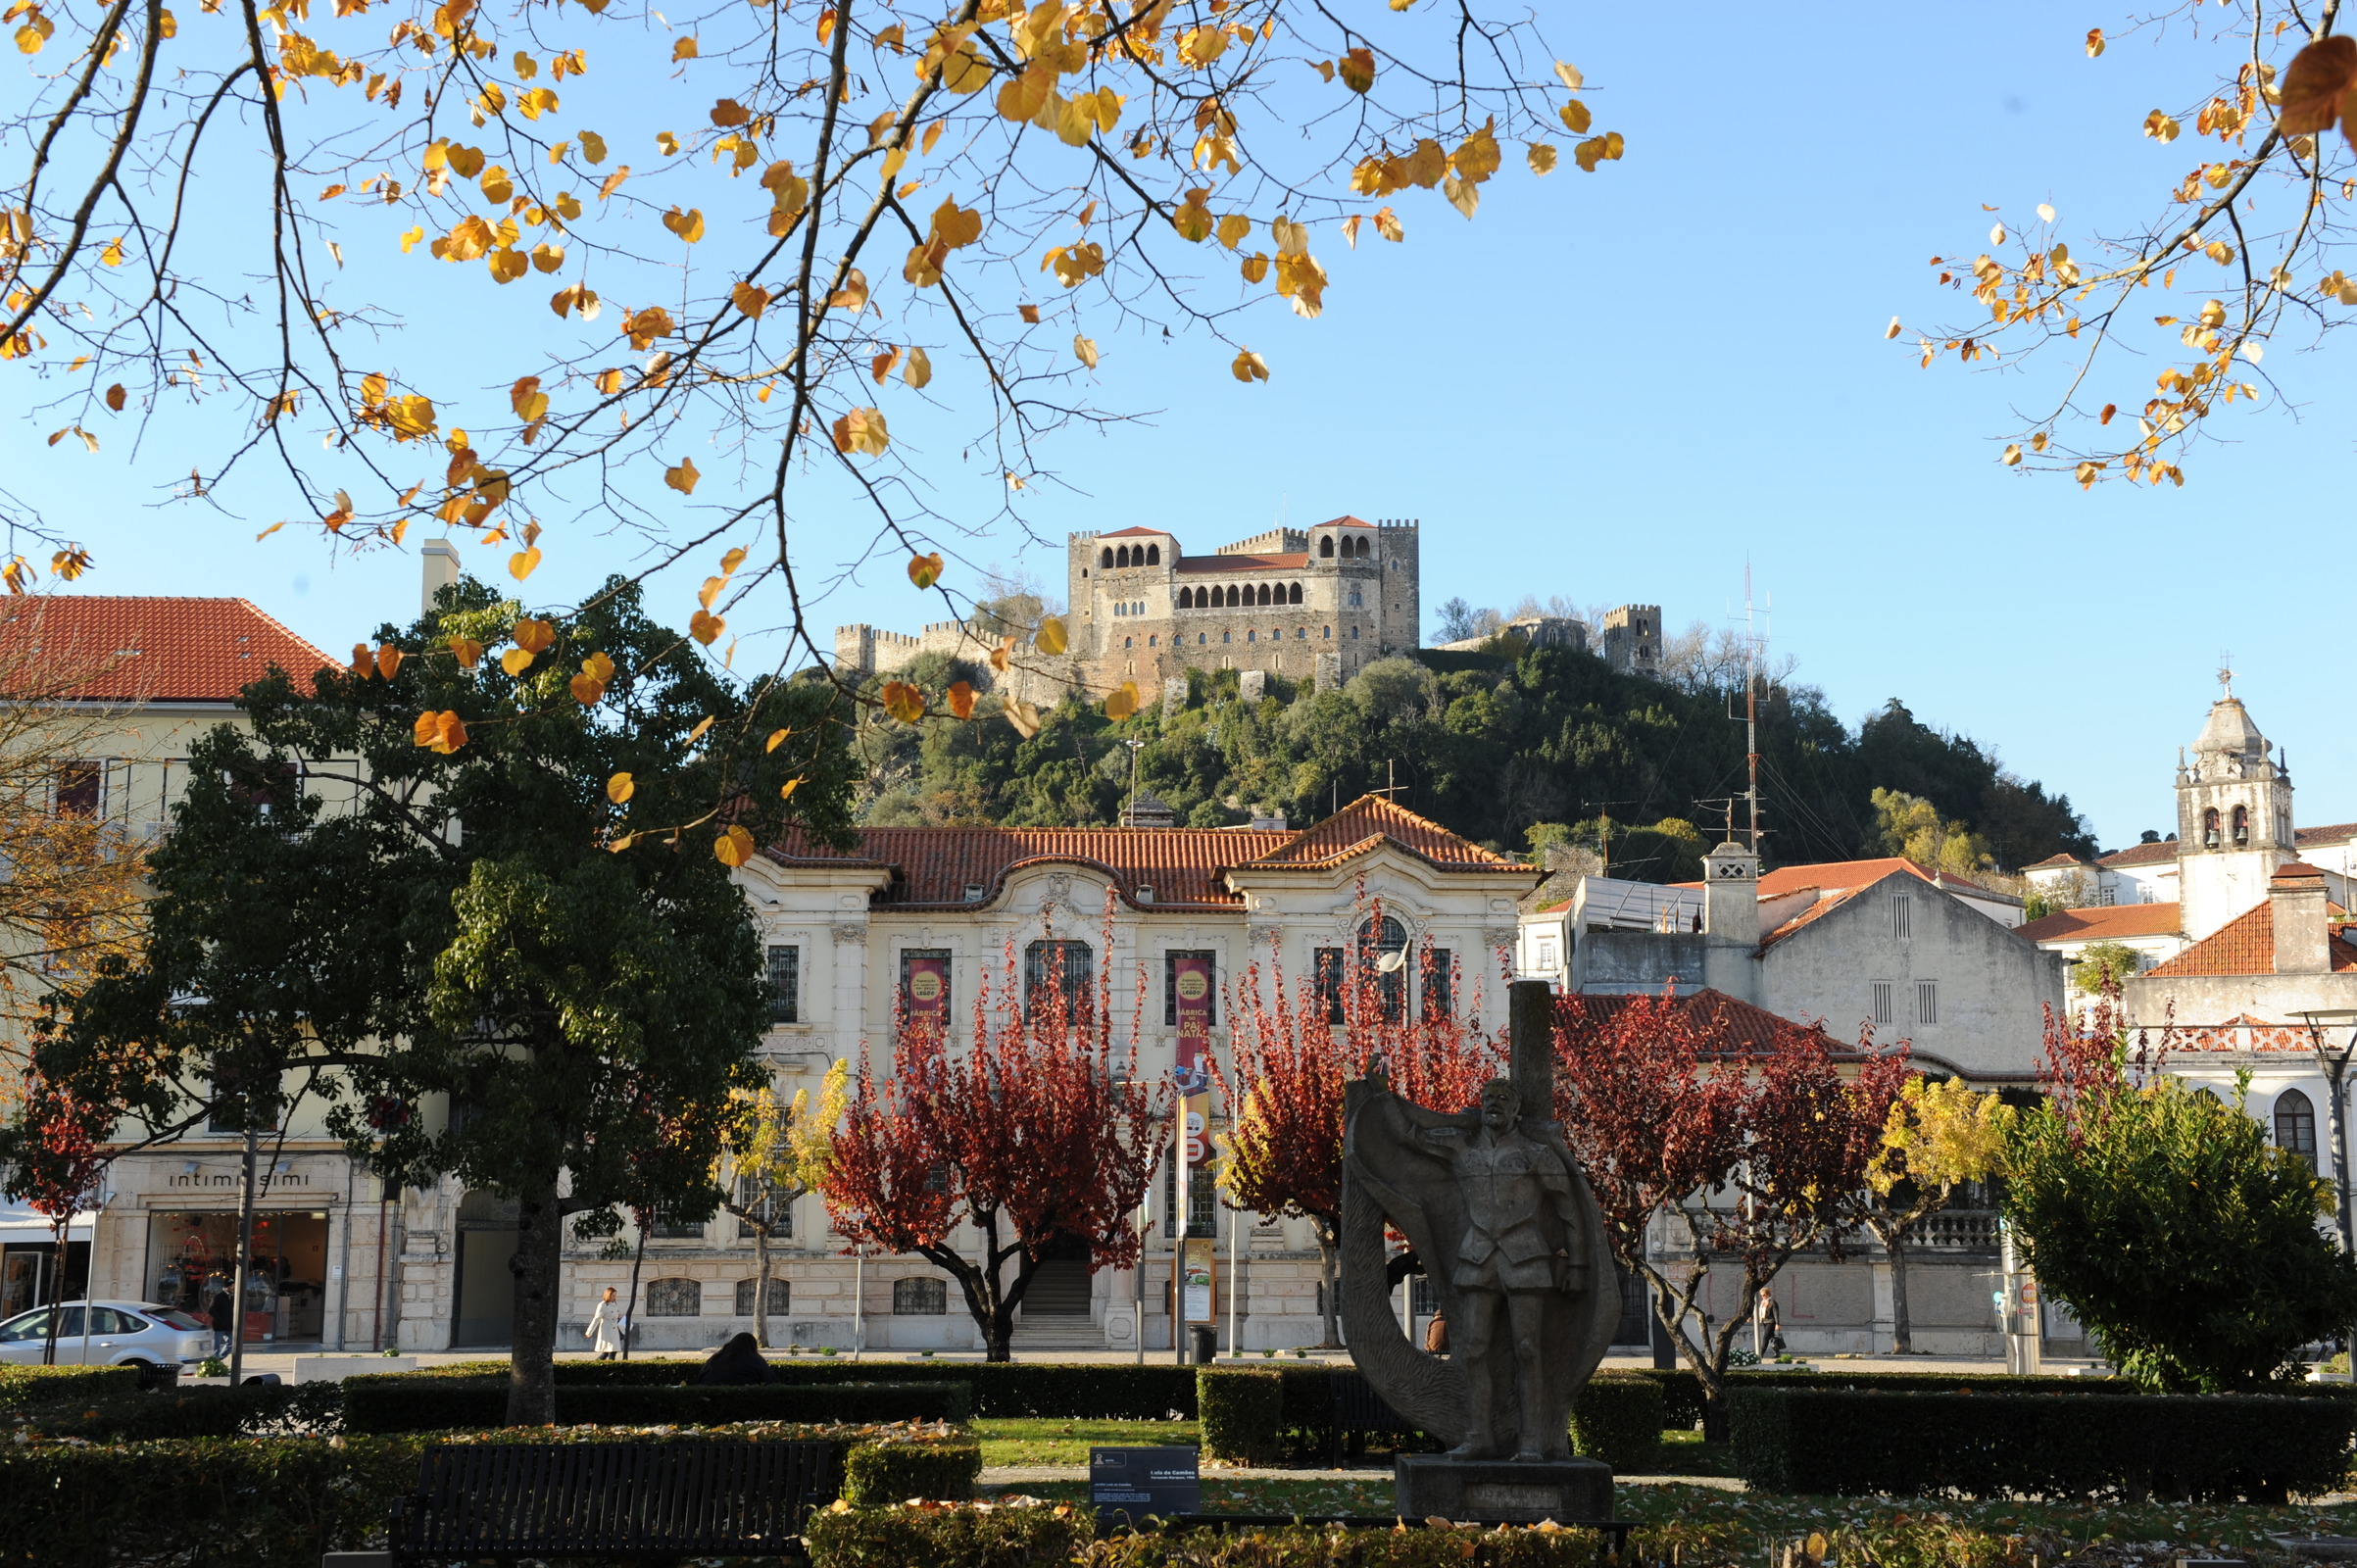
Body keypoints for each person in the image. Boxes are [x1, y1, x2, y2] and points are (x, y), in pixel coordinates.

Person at [585, 1287, 624, 1360]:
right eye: (613, 1295)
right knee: (609, 1352)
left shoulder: (614, 1304)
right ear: (608, 1295)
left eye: (615, 1295)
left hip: (615, 1331)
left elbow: (616, 1316)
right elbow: (596, 1319)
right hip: (607, 1331)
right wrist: (589, 1331)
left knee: (609, 1352)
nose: (614, 1297)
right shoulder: (602, 1305)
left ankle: (597, 1366)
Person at [207, 1279, 234, 1359]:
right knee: (216, 1345)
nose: (234, 1287)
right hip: (219, 1325)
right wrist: (220, 1319)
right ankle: (215, 1360)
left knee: (231, 1342)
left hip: (228, 1325)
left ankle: (220, 1358)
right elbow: (211, 1310)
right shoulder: (218, 1297)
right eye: (232, 1286)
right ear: (227, 1287)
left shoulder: (231, 1297)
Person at [1755, 1286, 1786, 1357]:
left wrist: (1777, 1324)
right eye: (1761, 1295)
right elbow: (1760, 1313)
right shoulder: (1763, 1303)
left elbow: (1776, 1313)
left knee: (1765, 1337)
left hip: (1771, 1322)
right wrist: (1752, 1317)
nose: (1762, 1297)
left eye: (1764, 1295)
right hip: (1764, 1322)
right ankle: (1777, 1352)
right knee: (1771, 1337)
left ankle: (1760, 1354)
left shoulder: (1772, 1302)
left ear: (1768, 1294)